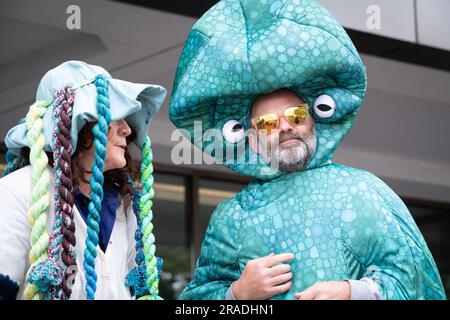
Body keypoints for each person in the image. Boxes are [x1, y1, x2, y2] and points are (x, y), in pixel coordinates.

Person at [169, 0, 446, 300]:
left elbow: (415, 280)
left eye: (296, 116)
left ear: (314, 120)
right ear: (251, 140)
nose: (285, 127)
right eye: (268, 123)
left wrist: (353, 292)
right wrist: (237, 293)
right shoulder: (230, 218)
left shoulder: (363, 191)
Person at [0, 60, 167, 300]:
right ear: (79, 123)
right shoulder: (15, 192)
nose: (127, 130)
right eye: (115, 116)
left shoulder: (126, 204)